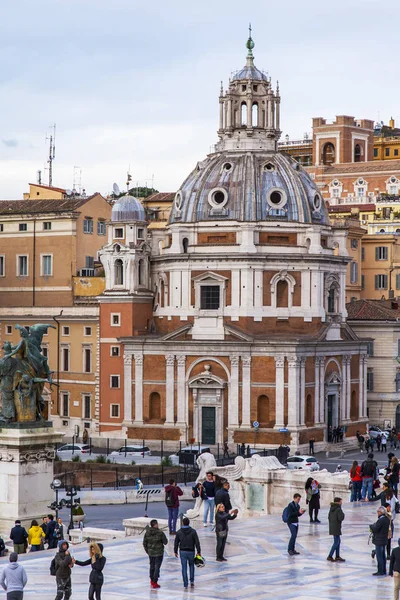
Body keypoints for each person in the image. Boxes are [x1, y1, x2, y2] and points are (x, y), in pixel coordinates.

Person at [174, 517, 201, 589]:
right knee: (191, 566)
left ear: (182, 523)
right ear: (189, 523)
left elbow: (176, 542)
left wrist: (175, 551)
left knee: (184, 567)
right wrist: (199, 551)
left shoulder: (179, 532)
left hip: (182, 551)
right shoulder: (193, 531)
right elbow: (197, 542)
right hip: (191, 551)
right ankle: (192, 581)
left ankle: (185, 583)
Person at [143, 519, 168, 589]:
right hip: (159, 553)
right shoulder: (160, 533)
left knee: (152, 566)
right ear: (156, 524)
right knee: (157, 567)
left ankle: (151, 579)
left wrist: (148, 551)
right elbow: (165, 542)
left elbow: (144, 543)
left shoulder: (147, 533)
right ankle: (155, 581)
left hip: (151, 553)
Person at [370, 506, 390, 576]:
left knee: (379, 556)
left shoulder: (381, 520)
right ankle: (383, 570)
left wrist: (372, 526)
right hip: (384, 540)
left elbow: (376, 529)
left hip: (379, 540)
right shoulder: (387, 519)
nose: (377, 513)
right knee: (383, 556)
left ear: (381, 512)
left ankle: (380, 571)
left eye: (378, 512)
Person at [327, 497, 345, 562]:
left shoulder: (331, 508)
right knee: (336, 542)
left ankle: (337, 556)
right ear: (338, 502)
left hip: (333, 527)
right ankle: (330, 556)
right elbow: (341, 518)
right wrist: (343, 514)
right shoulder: (338, 509)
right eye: (341, 501)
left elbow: (329, 517)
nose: (341, 503)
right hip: (336, 527)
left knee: (338, 541)